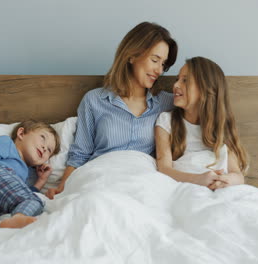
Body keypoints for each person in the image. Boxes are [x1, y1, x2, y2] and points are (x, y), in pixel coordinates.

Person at [45, 22, 178, 199]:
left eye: (163, 64)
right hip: (100, 181)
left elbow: (208, 109)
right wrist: (63, 189)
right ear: (132, 56)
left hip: (142, 184)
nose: (159, 70)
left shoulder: (167, 103)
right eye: (155, 60)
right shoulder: (94, 100)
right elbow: (80, 154)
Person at [154, 56, 248, 190]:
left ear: (205, 89)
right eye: (177, 79)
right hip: (185, 187)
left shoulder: (221, 126)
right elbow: (164, 169)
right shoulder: (166, 121)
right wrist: (198, 179)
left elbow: (237, 175)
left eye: (185, 81)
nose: (175, 85)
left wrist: (225, 180)